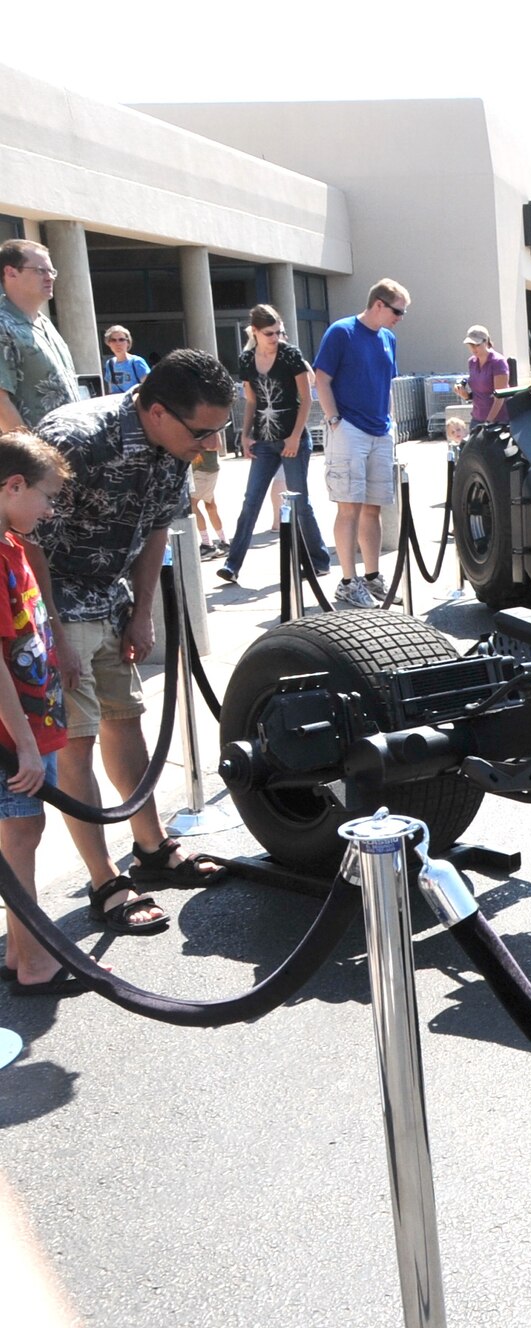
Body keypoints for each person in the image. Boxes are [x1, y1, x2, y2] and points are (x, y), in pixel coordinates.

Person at [26, 350, 239, 936]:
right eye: (203, 432)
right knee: (76, 741)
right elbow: (31, 541)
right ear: (157, 410)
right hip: (58, 602)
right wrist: (52, 633)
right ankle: (104, 881)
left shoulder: (177, 445)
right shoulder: (74, 438)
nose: (211, 444)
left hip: (113, 599)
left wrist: (143, 612)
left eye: (220, 430)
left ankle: (149, 848)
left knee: (126, 721)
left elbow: (154, 532)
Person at [0, 432, 76, 992]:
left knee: (22, 836)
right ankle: (33, 963)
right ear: (13, 485)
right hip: (11, 737)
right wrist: (23, 741)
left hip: (29, 724)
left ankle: (20, 952)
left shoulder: (12, 546)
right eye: (45, 497)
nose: (48, 511)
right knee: (22, 836)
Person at [314, 278, 409, 609]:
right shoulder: (342, 332)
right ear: (379, 304)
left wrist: (391, 423)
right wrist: (334, 420)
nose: (401, 316)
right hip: (349, 427)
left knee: (374, 506)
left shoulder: (389, 338)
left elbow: (387, 383)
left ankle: (372, 578)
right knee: (348, 505)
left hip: (380, 429)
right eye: (398, 310)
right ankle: (347, 582)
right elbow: (321, 378)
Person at [218, 305, 329, 586]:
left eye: (279, 331)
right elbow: (251, 401)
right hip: (263, 440)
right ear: (255, 332)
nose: (275, 337)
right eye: (269, 333)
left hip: (292, 438)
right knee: (250, 501)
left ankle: (319, 560)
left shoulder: (290, 354)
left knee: (299, 502)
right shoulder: (246, 359)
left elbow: (306, 398)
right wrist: (245, 435)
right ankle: (232, 564)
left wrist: (294, 436)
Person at [0, 240, 82, 433]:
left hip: (67, 448)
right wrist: (30, 456)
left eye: (52, 271)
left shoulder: (44, 323)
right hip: (32, 456)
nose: (49, 278)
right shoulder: (3, 326)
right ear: (10, 272)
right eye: (40, 271)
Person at [455, 325, 511, 433]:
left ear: (486, 342)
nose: (473, 348)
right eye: (470, 345)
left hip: (498, 421)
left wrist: (487, 423)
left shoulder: (498, 362)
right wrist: (464, 394)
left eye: (476, 344)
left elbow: (500, 397)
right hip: (476, 418)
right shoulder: (472, 362)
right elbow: (475, 394)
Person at [188, 426, 225, 558]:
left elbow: (217, 445)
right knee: (210, 506)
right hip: (204, 470)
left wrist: (195, 445)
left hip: (204, 471)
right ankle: (223, 541)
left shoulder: (207, 424)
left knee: (191, 506)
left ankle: (207, 544)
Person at [100, 326, 150, 395]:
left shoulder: (136, 362)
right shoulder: (110, 363)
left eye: (121, 339)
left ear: (128, 343)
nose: (118, 343)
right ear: (109, 343)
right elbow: (111, 389)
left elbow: (149, 387)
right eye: (113, 340)